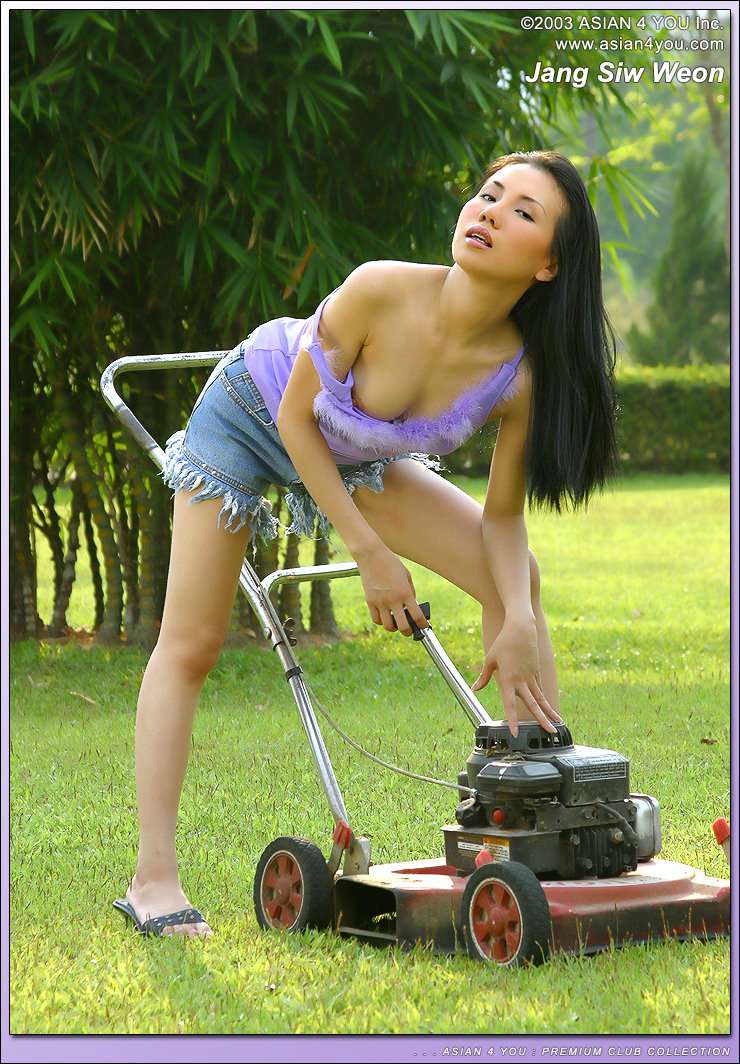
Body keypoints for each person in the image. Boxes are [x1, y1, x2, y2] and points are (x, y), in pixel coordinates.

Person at [113, 150, 618, 938]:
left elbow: (503, 521)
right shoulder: (380, 288)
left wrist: (517, 617)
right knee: (194, 643)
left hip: (355, 452)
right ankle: (152, 880)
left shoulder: (519, 374)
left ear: (550, 264)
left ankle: (543, 824)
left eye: (522, 211)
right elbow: (294, 419)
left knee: (516, 582)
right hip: (251, 415)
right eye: (488, 194)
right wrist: (371, 555)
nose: (489, 211)